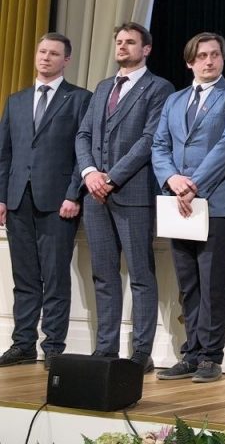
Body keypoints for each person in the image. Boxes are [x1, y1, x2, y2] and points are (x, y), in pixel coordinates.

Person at [151, 32, 225, 382]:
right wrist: (172, 179)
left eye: (215, 55)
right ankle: (192, 353)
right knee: (188, 284)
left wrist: (193, 184)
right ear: (189, 62)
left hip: (218, 204)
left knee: (213, 284)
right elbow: (159, 145)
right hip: (178, 203)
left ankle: (211, 356)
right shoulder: (175, 100)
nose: (209, 61)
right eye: (202, 56)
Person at [74, 22, 173, 373]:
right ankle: (106, 348)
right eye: (119, 41)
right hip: (95, 196)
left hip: (132, 194)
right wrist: (90, 173)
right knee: (103, 274)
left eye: (130, 42)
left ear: (146, 49)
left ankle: (141, 352)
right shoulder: (103, 87)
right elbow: (83, 135)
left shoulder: (158, 88)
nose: (122, 46)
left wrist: (112, 177)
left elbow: (149, 140)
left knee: (141, 274)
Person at [0, 33, 91, 368]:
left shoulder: (80, 99)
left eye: (54, 53)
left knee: (54, 278)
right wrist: (1, 197)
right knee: (24, 278)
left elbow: (83, 153)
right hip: (17, 200)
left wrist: (73, 194)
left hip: (58, 203)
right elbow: (4, 153)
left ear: (66, 60)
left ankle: (53, 346)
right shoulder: (16, 100)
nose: (46, 57)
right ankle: (23, 344)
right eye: (42, 51)